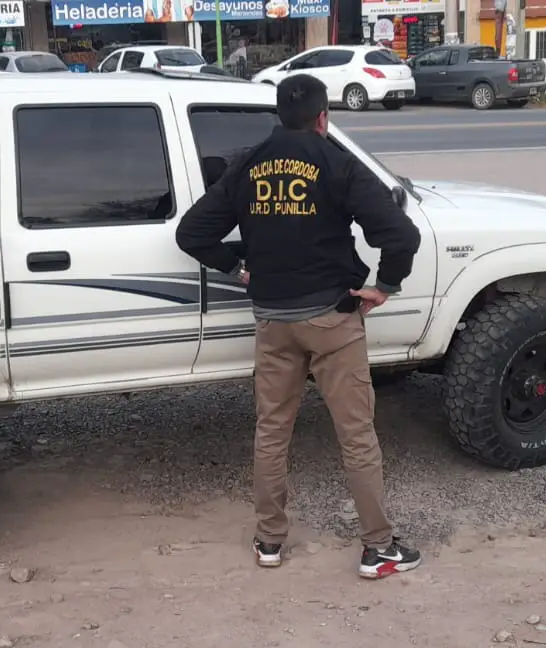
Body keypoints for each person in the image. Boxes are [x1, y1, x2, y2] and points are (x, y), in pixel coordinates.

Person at [174, 74, 423, 579]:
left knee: (271, 431)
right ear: (322, 118)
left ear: (279, 116)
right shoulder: (336, 161)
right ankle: (378, 549)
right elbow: (401, 233)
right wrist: (385, 285)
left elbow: (191, 232)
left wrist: (236, 267)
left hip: (273, 320)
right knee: (356, 435)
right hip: (332, 319)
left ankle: (269, 540)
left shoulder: (249, 163)